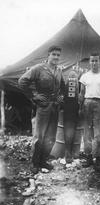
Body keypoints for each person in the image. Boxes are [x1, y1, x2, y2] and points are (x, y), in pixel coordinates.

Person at [18, 45, 65, 173]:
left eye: (58, 55)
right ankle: (35, 163)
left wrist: (61, 97)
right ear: (48, 55)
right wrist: (34, 96)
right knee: (39, 136)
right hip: (43, 107)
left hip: (54, 107)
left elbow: (63, 87)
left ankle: (43, 161)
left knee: (51, 137)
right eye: (53, 54)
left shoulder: (59, 71)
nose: (56, 57)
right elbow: (22, 81)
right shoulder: (39, 68)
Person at [78, 52, 100, 167]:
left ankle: (97, 157)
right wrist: (80, 106)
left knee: (98, 132)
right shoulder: (84, 76)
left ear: (99, 62)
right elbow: (81, 93)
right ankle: (88, 156)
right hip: (87, 103)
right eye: (92, 61)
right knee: (86, 130)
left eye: (96, 60)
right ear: (89, 62)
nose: (94, 63)